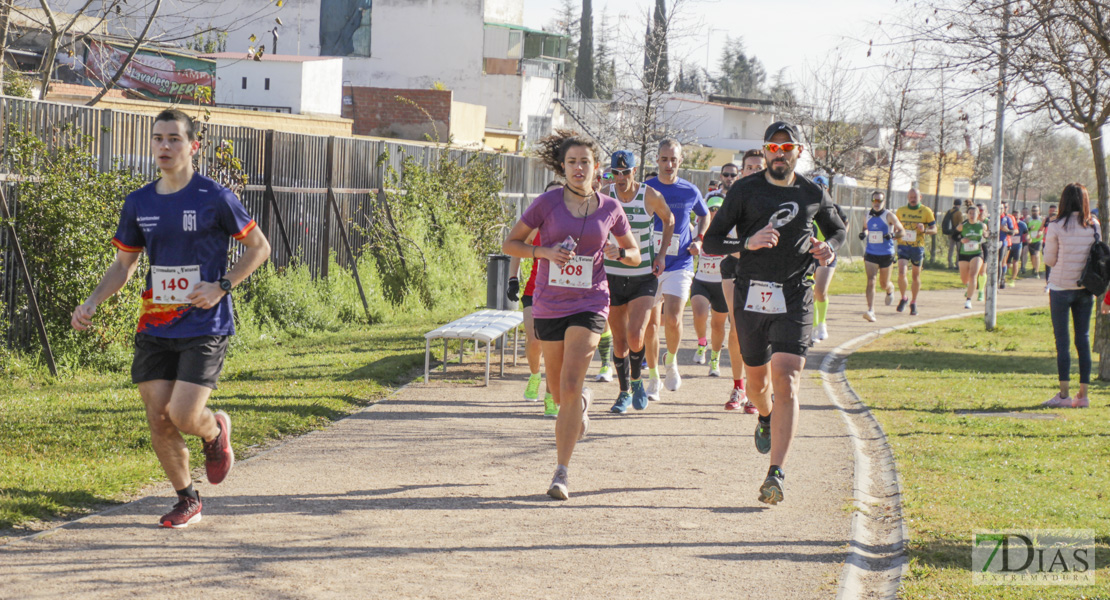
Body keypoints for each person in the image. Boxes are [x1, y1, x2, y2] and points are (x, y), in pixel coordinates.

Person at [70, 109, 271, 528]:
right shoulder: (139, 201)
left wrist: (222, 285)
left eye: (174, 139)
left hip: (205, 325)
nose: (165, 146)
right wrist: (91, 301)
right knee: (157, 415)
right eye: (158, 138)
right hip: (155, 325)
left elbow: (258, 247)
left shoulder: (215, 196)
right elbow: (123, 265)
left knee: (182, 415)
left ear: (193, 145)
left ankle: (214, 431)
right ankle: (187, 499)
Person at [705, 121, 846, 505]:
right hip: (751, 294)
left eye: (787, 148)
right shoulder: (745, 190)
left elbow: (838, 230)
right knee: (758, 386)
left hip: (795, 294)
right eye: (773, 147)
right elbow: (712, 240)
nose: (779, 154)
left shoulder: (812, 192)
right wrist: (747, 243)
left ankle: (776, 473)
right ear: (764, 150)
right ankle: (764, 416)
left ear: (799, 150)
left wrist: (827, 249)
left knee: (786, 379)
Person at [501, 130, 641, 500]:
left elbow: (635, 254)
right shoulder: (547, 203)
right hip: (549, 304)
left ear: (597, 169)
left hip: (591, 302)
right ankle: (579, 406)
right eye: (572, 162)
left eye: (586, 162)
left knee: (571, 380)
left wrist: (617, 252)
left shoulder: (611, 208)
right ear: (563, 167)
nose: (579, 168)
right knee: (558, 390)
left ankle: (560, 473)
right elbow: (510, 243)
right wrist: (543, 253)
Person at [603, 150, 674, 414]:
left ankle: (637, 382)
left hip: (643, 276)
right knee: (619, 342)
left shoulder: (650, 195)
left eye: (625, 172)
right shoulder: (605, 194)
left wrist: (662, 254)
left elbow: (670, 219)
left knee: (636, 335)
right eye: (615, 173)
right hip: (612, 275)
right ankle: (624, 392)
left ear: (635, 172)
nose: (620, 178)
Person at [645, 139, 710, 396]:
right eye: (664, 159)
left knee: (672, 318)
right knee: (650, 325)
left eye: (673, 159)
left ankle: (670, 361)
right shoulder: (646, 189)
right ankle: (652, 377)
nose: (669, 164)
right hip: (650, 264)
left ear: (680, 161)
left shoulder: (690, 190)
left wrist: (698, 239)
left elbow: (704, 214)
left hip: (680, 261)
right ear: (657, 160)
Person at [507, 181, 563, 416]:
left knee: (554, 349)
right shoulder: (535, 226)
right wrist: (513, 278)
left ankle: (551, 396)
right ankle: (534, 375)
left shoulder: (572, 225)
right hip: (534, 290)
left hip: (562, 293)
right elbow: (515, 246)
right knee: (534, 341)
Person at [1043, 184, 1098, 409]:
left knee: (1062, 341)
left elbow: (1049, 260)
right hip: (1085, 287)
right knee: (1083, 339)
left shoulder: (1056, 226)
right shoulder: (1094, 225)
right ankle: (1083, 395)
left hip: (1060, 287)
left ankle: (1064, 394)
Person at [722, 151, 764, 412]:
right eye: (748, 167)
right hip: (734, 267)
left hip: (765, 273)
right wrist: (747, 250)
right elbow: (722, 239)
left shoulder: (778, 196)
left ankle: (756, 389)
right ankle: (739, 387)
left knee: (760, 330)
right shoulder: (735, 196)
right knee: (737, 326)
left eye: (758, 167)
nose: (753, 171)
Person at [691, 194, 729, 377]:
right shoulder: (700, 228)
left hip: (722, 284)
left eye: (718, 209)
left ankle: (715, 359)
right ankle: (701, 343)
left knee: (717, 324)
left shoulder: (731, 229)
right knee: (699, 313)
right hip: (702, 280)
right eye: (711, 209)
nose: (714, 212)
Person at [810, 174, 846, 341]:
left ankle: (821, 323)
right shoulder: (807, 206)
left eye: (821, 187)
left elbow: (842, 228)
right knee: (810, 292)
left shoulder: (834, 208)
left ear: (827, 189)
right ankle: (811, 326)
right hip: (809, 254)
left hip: (826, 254)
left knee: (820, 291)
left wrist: (831, 245)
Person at [859, 191, 903, 322]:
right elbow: (866, 228)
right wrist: (864, 234)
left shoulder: (889, 216)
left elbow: (902, 231)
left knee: (883, 284)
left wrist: (892, 235)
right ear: (872, 201)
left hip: (886, 254)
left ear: (884, 202)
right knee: (871, 280)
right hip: (871, 253)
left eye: (879, 201)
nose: (877, 203)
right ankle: (871, 310)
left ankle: (890, 288)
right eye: (875, 201)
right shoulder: (867, 215)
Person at [894, 188, 937, 316]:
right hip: (903, 245)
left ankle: (914, 302)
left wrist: (924, 230)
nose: (913, 199)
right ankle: (903, 298)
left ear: (920, 197)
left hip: (917, 247)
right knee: (902, 272)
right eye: (911, 197)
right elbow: (894, 226)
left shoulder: (926, 211)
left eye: (915, 197)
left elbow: (934, 229)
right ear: (907, 197)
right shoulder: (901, 211)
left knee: (915, 275)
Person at [956, 205, 986, 309]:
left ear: (978, 215)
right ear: (967, 215)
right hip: (964, 253)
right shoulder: (962, 225)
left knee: (973, 275)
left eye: (974, 213)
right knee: (964, 280)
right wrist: (961, 239)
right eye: (970, 213)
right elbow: (954, 235)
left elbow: (987, 236)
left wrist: (985, 236)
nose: (972, 215)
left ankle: (968, 300)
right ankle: (969, 287)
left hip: (977, 253)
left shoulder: (982, 226)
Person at [997, 201, 1016, 289]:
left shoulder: (1007, 218)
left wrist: (1006, 230)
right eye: (999, 208)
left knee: (1001, 261)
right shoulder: (992, 218)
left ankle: (1001, 279)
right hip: (992, 243)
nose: (1001, 210)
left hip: (1003, 242)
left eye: (1002, 208)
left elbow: (1013, 232)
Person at [1007, 209, 1028, 286]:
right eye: (1014, 215)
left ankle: (1013, 279)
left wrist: (1028, 239)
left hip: (1018, 246)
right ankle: (1006, 275)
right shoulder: (1009, 223)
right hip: (1009, 245)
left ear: (1020, 216)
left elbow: (1026, 234)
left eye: (1017, 215)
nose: (1016, 216)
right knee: (1007, 263)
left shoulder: (1023, 224)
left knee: (1015, 262)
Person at [941, 199, 964, 269]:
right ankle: (957, 264)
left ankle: (950, 264)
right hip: (957, 233)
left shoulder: (949, 211)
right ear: (960, 205)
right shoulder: (959, 213)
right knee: (958, 249)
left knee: (951, 249)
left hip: (950, 233)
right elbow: (961, 224)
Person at [1025, 205, 1045, 279]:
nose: (1034, 212)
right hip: (1030, 240)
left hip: (1039, 239)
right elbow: (1025, 230)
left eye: (1036, 210)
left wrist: (1040, 232)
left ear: (1039, 211)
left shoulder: (1041, 219)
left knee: (1037, 254)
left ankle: (1037, 272)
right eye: (1033, 210)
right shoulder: (1028, 219)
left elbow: (1044, 228)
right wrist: (1029, 229)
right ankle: (1034, 268)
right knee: (1032, 256)